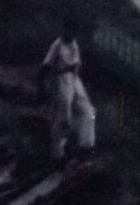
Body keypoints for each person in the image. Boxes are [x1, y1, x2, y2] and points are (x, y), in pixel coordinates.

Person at [38, 23, 96, 163]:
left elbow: (76, 63)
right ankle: (57, 154)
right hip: (60, 79)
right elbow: (44, 68)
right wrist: (42, 90)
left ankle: (86, 147)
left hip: (74, 79)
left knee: (88, 111)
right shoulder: (57, 45)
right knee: (64, 119)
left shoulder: (74, 42)